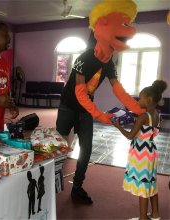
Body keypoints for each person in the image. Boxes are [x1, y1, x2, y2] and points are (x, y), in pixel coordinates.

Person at [56, 0, 144, 204]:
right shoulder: (84, 58)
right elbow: (79, 92)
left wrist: (137, 108)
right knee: (58, 145)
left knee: (86, 149)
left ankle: (77, 187)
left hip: (85, 110)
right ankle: (51, 180)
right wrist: (99, 114)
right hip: (68, 106)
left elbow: (117, 88)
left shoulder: (109, 62)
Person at [112, 80, 167, 220]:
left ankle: (143, 218)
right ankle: (155, 214)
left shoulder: (143, 117)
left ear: (148, 100)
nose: (139, 99)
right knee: (151, 182)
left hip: (141, 154)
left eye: (141, 97)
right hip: (151, 151)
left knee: (142, 186)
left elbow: (130, 136)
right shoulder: (156, 114)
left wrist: (118, 126)